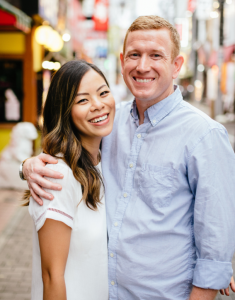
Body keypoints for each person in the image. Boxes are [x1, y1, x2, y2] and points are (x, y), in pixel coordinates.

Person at [22, 16, 235, 300]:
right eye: (134, 55)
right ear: (123, 61)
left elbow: (214, 248)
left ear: (176, 66)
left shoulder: (205, 136)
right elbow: (71, 143)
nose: (143, 66)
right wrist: (28, 165)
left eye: (156, 55)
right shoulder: (110, 122)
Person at [25, 60, 115, 300]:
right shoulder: (59, 175)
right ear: (64, 110)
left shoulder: (104, 161)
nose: (98, 105)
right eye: (82, 100)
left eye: (103, 92)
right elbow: (51, 276)